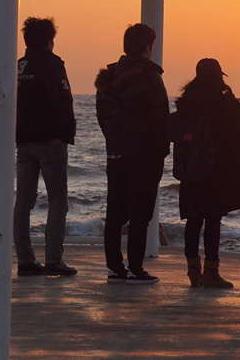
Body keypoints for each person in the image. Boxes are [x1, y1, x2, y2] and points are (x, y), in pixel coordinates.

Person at [171, 58, 240, 289]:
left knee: (193, 219)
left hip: (190, 168)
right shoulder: (221, 98)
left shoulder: (186, 101)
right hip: (214, 168)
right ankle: (211, 272)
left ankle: (193, 272)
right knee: (212, 219)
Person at [95, 24, 170, 284]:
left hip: (116, 153)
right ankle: (136, 266)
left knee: (116, 211)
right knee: (140, 213)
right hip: (145, 156)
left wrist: (114, 142)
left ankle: (116, 267)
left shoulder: (109, 76)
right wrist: (161, 149)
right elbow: (160, 118)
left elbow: (102, 116)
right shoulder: (150, 76)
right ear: (148, 46)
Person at [14, 17, 77, 277]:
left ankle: (26, 259)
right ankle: (53, 259)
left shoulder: (19, 66)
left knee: (24, 202)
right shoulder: (53, 65)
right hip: (50, 141)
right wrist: (65, 134)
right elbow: (62, 101)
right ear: (50, 39)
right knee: (57, 201)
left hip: (24, 141)